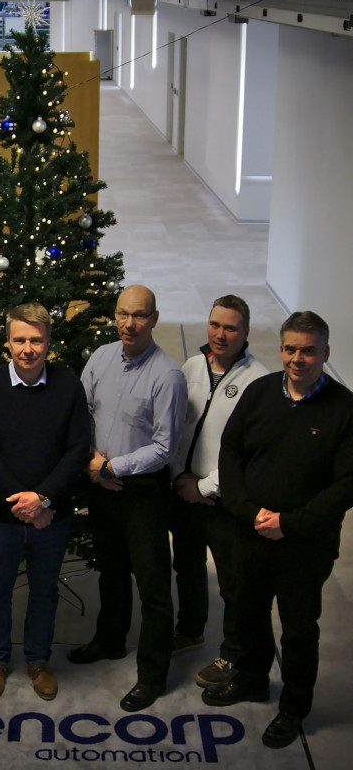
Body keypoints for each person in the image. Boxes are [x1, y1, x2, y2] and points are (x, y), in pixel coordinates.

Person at [202, 311, 353, 750]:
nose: (297, 359)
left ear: (325, 353)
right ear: (281, 348)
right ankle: (252, 681)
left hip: (305, 545)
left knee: (298, 628)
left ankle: (293, 707)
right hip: (250, 532)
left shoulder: (344, 409)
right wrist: (249, 513)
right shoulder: (260, 392)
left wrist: (289, 523)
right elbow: (231, 453)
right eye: (290, 349)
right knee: (248, 612)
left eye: (308, 351)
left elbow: (346, 485)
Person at [68, 284, 188, 712]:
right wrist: (92, 464)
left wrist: (111, 468)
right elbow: (79, 412)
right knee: (111, 571)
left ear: (154, 319)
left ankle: (152, 675)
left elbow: (164, 448)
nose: (129, 324)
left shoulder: (168, 376)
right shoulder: (101, 358)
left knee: (153, 587)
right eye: (123, 314)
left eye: (139, 316)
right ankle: (110, 640)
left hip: (142, 493)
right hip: (101, 483)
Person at [0, 303, 90, 702]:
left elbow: (77, 449)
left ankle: (38, 660)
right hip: (1, 515)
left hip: (51, 515)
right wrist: (23, 505)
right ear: (7, 341)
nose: (28, 349)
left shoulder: (69, 386)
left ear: (49, 342)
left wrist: (42, 499)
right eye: (19, 340)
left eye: (36, 340)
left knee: (45, 591)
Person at [169, 295, 267, 687]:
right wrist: (180, 477)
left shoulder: (257, 381)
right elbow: (176, 427)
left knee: (233, 583)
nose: (220, 334)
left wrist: (205, 487)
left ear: (245, 332)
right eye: (215, 325)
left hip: (224, 502)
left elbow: (251, 454)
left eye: (230, 327)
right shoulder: (192, 366)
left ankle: (234, 654)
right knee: (187, 566)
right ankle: (190, 630)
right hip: (184, 493)